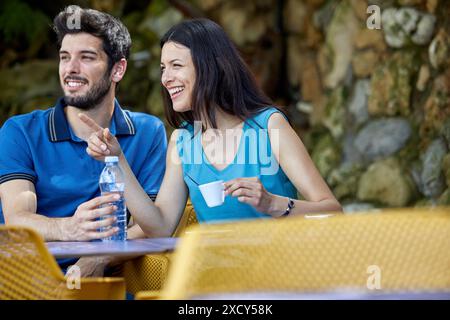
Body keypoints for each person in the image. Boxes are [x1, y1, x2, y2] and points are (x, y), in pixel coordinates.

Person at [80, 18, 341, 238]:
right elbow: (160, 226)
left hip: (280, 277)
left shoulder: (269, 126)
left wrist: (273, 203)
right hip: (217, 278)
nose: (165, 78)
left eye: (176, 66)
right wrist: (117, 159)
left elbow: (331, 210)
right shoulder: (182, 141)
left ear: (210, 68)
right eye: (163, 68)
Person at [0, 6, 167, 275]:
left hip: (108, 285)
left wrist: (98, 259)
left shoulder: (148, 133)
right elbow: (17, 219)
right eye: (65, 57)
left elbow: (150, 226)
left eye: (87, 57)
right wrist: (70, 228)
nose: (71, 69)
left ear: (118, 69)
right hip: (26, 282)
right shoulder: (20, 132)